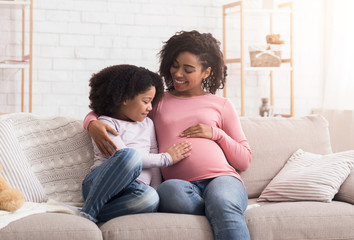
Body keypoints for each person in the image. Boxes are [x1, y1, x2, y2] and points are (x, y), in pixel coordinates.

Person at [84, 31, 251, 239]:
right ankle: (214, 208)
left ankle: (219, 205)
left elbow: (244, 160)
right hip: (178, 185)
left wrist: (216, 134)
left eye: (188, 69)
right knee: (168, 193)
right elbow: (115, 107)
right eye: (175, 65)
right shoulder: (158, 101)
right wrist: (91, 123)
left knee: (223, 201)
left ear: (206, 72)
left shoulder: (222, 105)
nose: (178, 74)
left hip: (221, 177)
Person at [80, 64, 192, 223]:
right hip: (99, 185)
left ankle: (95, 212)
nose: (150, 107)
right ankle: (89, 210)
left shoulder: (148, 124)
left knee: (150, 198)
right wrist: (167, 158)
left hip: (131, 192)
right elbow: (123, 156)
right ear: (125, 98)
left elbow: (153, 160)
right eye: (146, 101)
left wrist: (155, 191)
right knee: (129, 155)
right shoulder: (106, 123)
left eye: (152, 102)